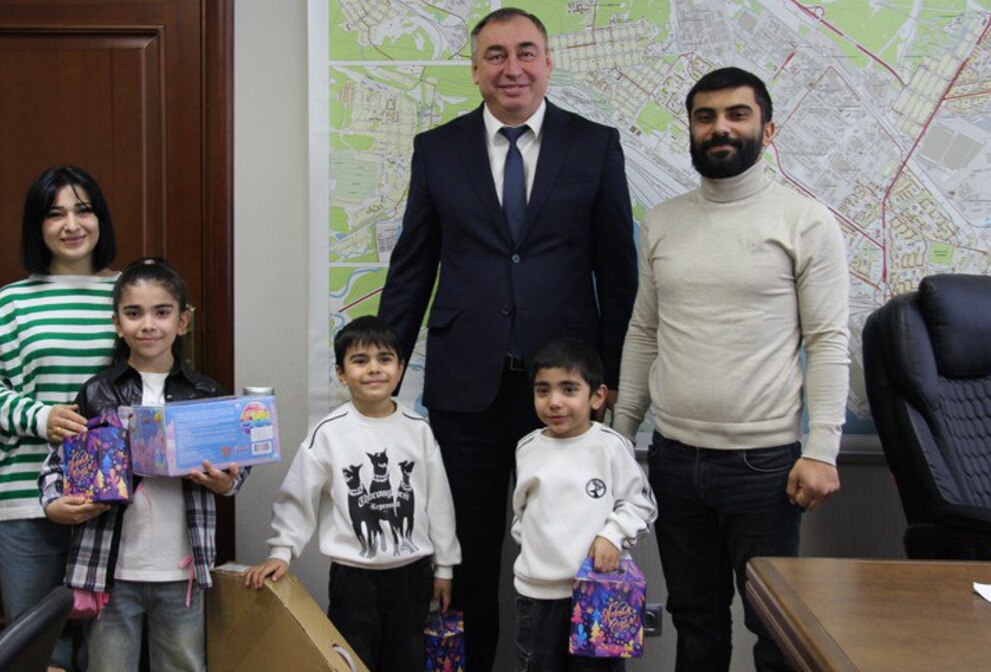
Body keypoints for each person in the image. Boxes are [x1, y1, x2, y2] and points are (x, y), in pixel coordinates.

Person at [376, 9, 637, 668]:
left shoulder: (595, 144)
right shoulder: (438, 149)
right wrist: (381, 377)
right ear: (475, 69)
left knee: (577, 557)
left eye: (526, 53)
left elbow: (620, 272)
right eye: (495, 55)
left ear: (548, 63)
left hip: (567, 394)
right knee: (462, 559)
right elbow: (411, 270)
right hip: (468, 389)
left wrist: (612, 378)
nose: (512, 67)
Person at [612, 67, 850, 672]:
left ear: (766, 129)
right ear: (691, 129)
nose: (720, 127)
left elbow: (826, 340)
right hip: (672, 457)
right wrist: (618, 437)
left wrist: (822, 449)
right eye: (705, 116)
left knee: (776, 629)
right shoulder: (664, 221)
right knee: (696, 623)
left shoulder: (805, 222)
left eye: (737, 115)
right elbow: (645, 331)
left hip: (765, 467)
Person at [38, 257, 248, 671]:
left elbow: (239, 470)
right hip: (110, 571)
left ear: (183, 321)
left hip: (182, 571)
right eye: (134, 313)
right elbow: (56, 467)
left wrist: (226, 484)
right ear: (117, 322)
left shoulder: (205, 393)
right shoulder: (97, 392)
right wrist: (53, 504)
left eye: (162, 312)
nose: (148, 324)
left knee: (183, 665)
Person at [0, 165, 119, 670]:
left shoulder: (130, 297)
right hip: (25, 499)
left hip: (110, 500)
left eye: (83, 209)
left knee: (110, 648)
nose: (71, 224)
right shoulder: (12, 302)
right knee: (37, 650)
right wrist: (40, 416)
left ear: (100, 219)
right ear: (38, 226)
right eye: (55, 214)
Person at [244, 315, 461, 672]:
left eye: (384, 359)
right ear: (341, 373)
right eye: (360, 361)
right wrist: (282, 551)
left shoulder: (419, 430)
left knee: (406, 658)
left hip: (413, 575)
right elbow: (297, 495)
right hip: (353, 577)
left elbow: (439, 502)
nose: (374, 369)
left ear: (400, 368)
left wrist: (446, 567)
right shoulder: (328, 433)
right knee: (351, 659)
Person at [511, 337, 657, 672]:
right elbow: (521, 516)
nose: (555, 402)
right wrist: (539, 550)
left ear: (597, 397)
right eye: (543, 390)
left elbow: (641, 505)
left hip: (598, 594)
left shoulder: (611, 446)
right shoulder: (527, 448)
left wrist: (612, 536)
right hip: (538, 597)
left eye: (569, 389)